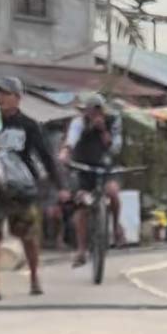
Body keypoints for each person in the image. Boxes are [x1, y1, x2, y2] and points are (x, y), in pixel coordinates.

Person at [0, 77, 60, 301]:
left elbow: (45, 156)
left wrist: (59, 185)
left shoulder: (28, 125)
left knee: (29, 235)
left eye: (7, 93)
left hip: (20, 187)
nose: (2, 98)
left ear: (18, 98)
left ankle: (35, 278)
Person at [61, 93, 124, 266]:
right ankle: (81, 250)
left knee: (112, 192)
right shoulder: (78, 122)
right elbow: (71, 140)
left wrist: (103, 130)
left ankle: (116, 226)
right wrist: (65, 152)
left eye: (97, 110)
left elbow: (116, 148)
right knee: (81, 205)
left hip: (106, 167)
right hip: (84, 168)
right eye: (90, 111)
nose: (94, 114)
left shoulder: (113, 121)